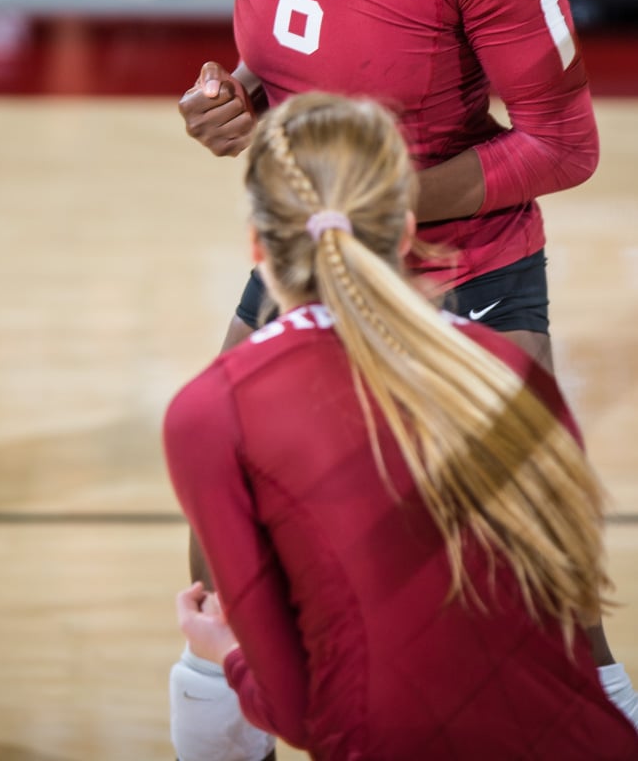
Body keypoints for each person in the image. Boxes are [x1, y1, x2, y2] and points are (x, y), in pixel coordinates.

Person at [155, 0, 638, 740]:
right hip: (308, 265)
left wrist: (375, 196)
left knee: (548, 596)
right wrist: (241, 104)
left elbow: (564, 144)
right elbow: (298, 49)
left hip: (463, 273)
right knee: (221, 572)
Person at [164, 90, 638, 760]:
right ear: (409, 229)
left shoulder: (214, 409)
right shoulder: (513, 370)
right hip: (589, 742)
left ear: (257, 245)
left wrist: (224, 657)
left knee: (206, 663)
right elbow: (577, 636)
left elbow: (304, 713)